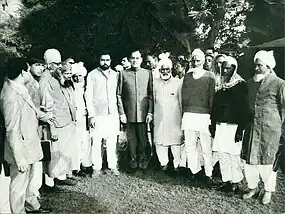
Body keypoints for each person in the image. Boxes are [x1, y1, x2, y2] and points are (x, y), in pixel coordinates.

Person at [0, 57, 51, 213]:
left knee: (28, 182)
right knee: (18, 187)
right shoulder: (10, 96)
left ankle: (32, 207)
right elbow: (11, 130)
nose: (31, 73)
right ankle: (19, 211)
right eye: (29, 70)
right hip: (20, 150)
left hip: (28, 145)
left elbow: (32, 109)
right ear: (23, 72)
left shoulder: (19, 86)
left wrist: (45, 116)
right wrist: (19, 157)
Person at [241, 50, 285, 205]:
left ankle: (268, 191)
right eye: (255, 65)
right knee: (249, 161)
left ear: (268, 66)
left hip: (270, 130)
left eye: (259, 65)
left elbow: (283, 109)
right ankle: (252, 188)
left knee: (267, 162)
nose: (256, 68)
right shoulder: (250, 83)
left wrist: (282, 132)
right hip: (252, 128)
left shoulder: (280, 83)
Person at [210, 56, 248, 193]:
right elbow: (215, 106)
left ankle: (235, 182)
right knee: (222, 154)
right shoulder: (221, 85)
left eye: (228, 68)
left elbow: (244, 109)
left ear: (234, 68)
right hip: (221, 125)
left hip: (233, 126)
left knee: (233, 155)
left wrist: (240, 129)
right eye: (223, 67)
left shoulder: (241, 85)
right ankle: (226, 181)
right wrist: (213, 124)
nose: (225, 70)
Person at [181, 49, 215, 184]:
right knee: (190, 146)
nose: (196, 63)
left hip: (204, 116)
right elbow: (183, 97)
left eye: (198, 60)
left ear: (203, 61)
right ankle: (194, 171)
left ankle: (208, 174)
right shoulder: (187, 77)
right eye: (193, 60)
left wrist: (211, 116)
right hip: (189, 115)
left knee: (206, 147)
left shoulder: (210, 76)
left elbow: (211, 98)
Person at [40, 61, 77, 186]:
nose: (69, 75)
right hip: (57, 124)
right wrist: (52, 127)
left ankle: (61, 177)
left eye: (70, 73)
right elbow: (47, 107)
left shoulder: (67, 83)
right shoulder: (49, 82)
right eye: (66, 73)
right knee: (54, 153)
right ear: (59, 72)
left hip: (68, 122)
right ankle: (49, 182)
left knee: (64, 152)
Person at [117, 50, 154, 170]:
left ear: (141, 60)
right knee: (131, 138)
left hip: (143, 112)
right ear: (129, 59)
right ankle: (132, 160)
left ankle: (143, 159)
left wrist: (150, 111)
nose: (135, 60)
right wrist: (122, 112)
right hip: (129, 112)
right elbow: (118, 94)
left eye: (137, 58)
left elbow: (150, 94)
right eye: (132, 58)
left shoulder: (147, 73)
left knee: (143, 138)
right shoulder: (123, 74)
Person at [85, 53, 120, 176]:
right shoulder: (92, 75)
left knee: (112, 141)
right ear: (99, 60)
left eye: (107, 60)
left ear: (110, 61)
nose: (105, 62)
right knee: (97, 141)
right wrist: (91, 115)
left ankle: (112, 166)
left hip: (112, 112)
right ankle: (96, 167)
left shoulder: (116, 75)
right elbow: (88, 95)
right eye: (102, 60)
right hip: (98, 113)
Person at [153, 53, 183, 172]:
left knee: (175, 142)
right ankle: (163, 164)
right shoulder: (155, 83)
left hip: (175, 118)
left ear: (171, 70)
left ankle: (176, 165)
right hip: (159, 117)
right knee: (160, 141)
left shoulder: (178, 83)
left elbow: (181, 101)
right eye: (163, 69)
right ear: (159, 70)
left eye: (167, 69)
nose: (165, 72)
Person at [25, 58, 46, 200]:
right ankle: (30, 195)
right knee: (31, 162)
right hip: (29, 127)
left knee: (37, 161)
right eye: (37, 65)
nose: (40, 68)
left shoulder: (36, 82)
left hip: (36, 125)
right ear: (29, 66)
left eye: (42, 65)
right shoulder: (28, 84)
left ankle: (34, 193)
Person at [71, 62, 91, 176]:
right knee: (77, 142)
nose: (78, 78)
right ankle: (76, 166)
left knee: (86, 140)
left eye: (80, 76)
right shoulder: (71, 87)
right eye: (75, 76)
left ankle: (86, 164)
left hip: (85, 117)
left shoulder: (87, 87)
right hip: (76, 117)